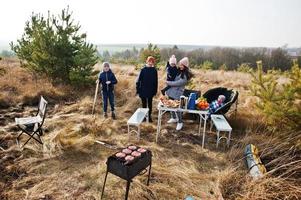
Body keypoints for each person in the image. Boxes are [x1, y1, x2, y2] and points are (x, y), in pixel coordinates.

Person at [166, 57, 193, 130]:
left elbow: (179, 83)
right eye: (180, 64)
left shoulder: (185, 75)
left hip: (178, 93)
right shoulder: (179, 71)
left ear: (185, 66)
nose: (180, 66)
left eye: (182, 65)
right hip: (172, 91)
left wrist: (169, 83)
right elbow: (170, 71)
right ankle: (173, 118)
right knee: (171, 105)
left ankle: (180, 122)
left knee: (178, 108)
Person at [136, 56, 158, 122]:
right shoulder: (143, 70)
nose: (150, 63)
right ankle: (144, 117)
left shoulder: (154, 70)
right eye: (149, 61)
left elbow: (156, 81)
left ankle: (149, 116)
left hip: (151, 90)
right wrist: (138, 90)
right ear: (147, 61)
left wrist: (155, 90)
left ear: (153, 62)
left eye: (152, 61)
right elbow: (138, 80)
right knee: (144, 104)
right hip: (143, 89)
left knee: (150, 103)